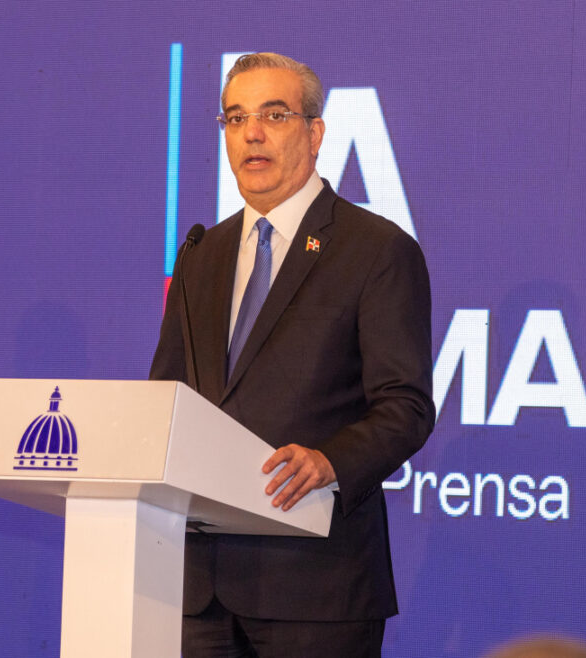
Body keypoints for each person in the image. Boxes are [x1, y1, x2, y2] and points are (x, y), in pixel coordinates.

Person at [149, 52, 434, 657]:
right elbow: (166, 399)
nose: (251, 133)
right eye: (235, 117)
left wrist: (330, 460)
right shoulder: (201, 254)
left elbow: (405, 406)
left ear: (315, 132)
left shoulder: (375, 250)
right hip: (198, 591)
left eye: (274, 115)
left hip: (317, 586)